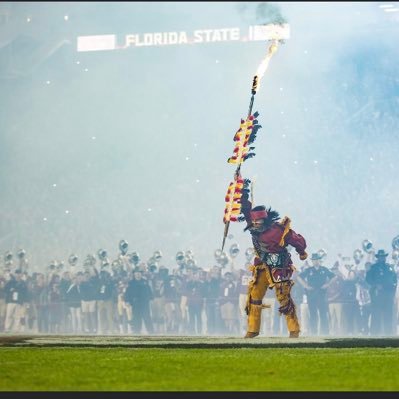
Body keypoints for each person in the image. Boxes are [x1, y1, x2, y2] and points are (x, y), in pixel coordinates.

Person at [239, 178, 308, 338]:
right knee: (255, 295)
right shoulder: (251, 223)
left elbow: (296, 239)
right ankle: (253, 330)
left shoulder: (278, 230)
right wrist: (243, 190)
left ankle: (294, 330)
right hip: (262, 264)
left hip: (279, 266)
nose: (255, 223)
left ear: (265, 220)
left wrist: (301, 251)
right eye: (253, 221)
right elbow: (245, 207)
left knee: (283, 297)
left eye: (258, 221)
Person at [297, 253, 337, 336]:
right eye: (314, 260)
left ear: (320, 260)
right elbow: (299, 277)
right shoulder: (309, 270)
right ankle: (314, 332)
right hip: (311, 295)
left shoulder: (324, 269)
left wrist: (328, 284)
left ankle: (325, 332)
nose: (315, 261)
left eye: (317, 259)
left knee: (323, 314)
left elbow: (334, 277)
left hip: (322, 295)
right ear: (312, 261)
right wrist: (306, 286)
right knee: (313, 314)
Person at [365, 249, 397, 336]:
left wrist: (393, 288)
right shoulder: (373, 267)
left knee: (388, 314)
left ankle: (389, 333)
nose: (382, 258)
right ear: (378, 257)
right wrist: (376, 285)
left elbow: (394, 279)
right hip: (377, 295)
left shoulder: (389, 267)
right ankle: (374, 333)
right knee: (376, 315)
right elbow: (368, 279)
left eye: (384, 256)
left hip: (388, 294)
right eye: (380, 256)